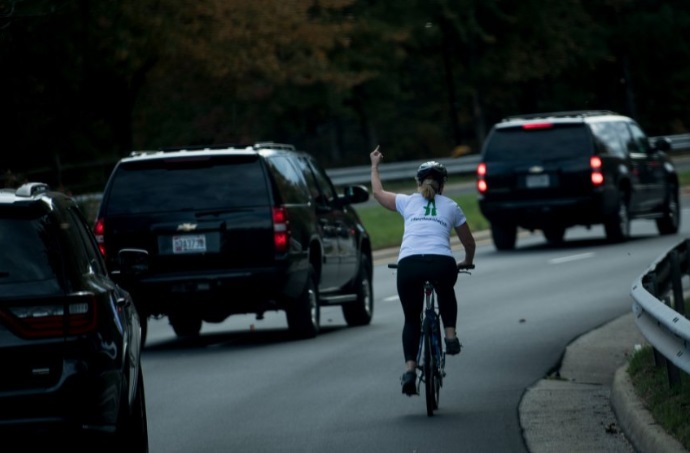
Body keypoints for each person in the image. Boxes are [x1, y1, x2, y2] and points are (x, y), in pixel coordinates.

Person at [369, 145, 476, 396]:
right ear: (443, 185)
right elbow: (468, 242)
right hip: (441, 263)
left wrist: (374, 165)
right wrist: (467, 260)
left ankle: (409, 370)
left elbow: (377, 192)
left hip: (409, 264)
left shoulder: (407, 202)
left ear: (419, 183)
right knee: (446, 289)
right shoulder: (451, 205)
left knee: (411, 318)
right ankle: (450, 336)